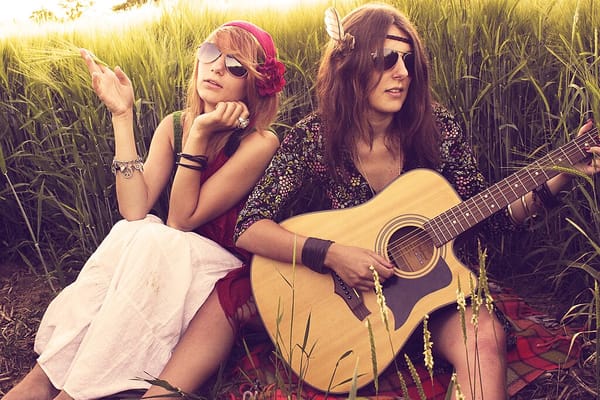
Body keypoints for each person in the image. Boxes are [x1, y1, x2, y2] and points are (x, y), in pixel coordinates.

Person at [232, 3, 600, 400]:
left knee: (486, 336)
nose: (403, 73)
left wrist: (560, 176)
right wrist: (331, 253)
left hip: (435, 298)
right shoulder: (313, 136)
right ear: (349, 63)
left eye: (409, 60)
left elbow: (490, 219)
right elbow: (249, 226)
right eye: (387, 58)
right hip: (355, 317)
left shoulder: (438, 128)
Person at [2, 20, 285, 400]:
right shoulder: (174, 126)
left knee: (154, 236)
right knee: (133, 231)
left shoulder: (259, 142)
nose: (217, 67)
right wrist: (123, 116)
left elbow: (182, 220)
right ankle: (42, 378)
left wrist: (199, 136)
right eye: (210, 53)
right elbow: (134, 208)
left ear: (253, 83)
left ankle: (75, 389)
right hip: (165, 260)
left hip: (221, 271)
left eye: (236, 65)